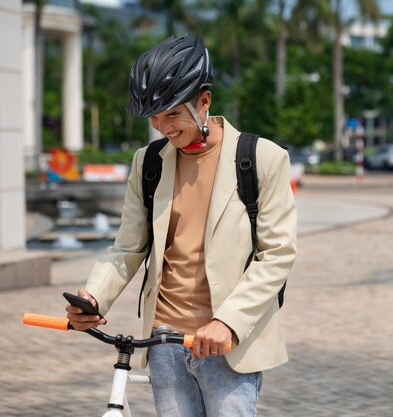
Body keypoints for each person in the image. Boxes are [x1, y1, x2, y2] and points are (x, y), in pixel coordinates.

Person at [65, 33, 297, 417]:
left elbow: (277, 255)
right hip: (164, 342)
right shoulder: (149, 162)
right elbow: (128, 246)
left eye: (172, 113)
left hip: (228, 343)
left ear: (204, 101)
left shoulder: (261, 158)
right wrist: (93, 296)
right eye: (154, 117)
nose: (162, 127)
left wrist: (228, 321)